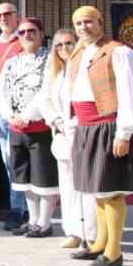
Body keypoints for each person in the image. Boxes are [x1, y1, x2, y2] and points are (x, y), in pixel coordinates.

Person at [0, 16, 59, 238]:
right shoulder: (11, 62)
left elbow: (46, 91)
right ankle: (32, 220)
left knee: (44, 179)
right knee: (25, 180)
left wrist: (26, 116)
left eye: (32, 31)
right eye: (22, 32)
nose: (27, 35)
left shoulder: (50, 60)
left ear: (41, 34)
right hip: (16, 129)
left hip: (39, 127)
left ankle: (45, 223)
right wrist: (9, 116)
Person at [34, 27, 97, 251]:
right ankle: (73, 232)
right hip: (62, 134)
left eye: (69, 43)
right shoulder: (55, 73)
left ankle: (91, 234)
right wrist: (57, 120)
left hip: (84, 132)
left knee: (87, 188)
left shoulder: (86, 68)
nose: (64, 48)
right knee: (68, 187)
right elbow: (44, 100)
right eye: (59, 45)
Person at [0, 2, 27, 230]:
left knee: (17, 159)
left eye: (8, 14)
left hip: (20, 109)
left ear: (17, 16)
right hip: (0, 110)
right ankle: (17, 205)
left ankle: (20, 209)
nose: (3, 18)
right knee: (8, 160)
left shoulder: (24, 40)